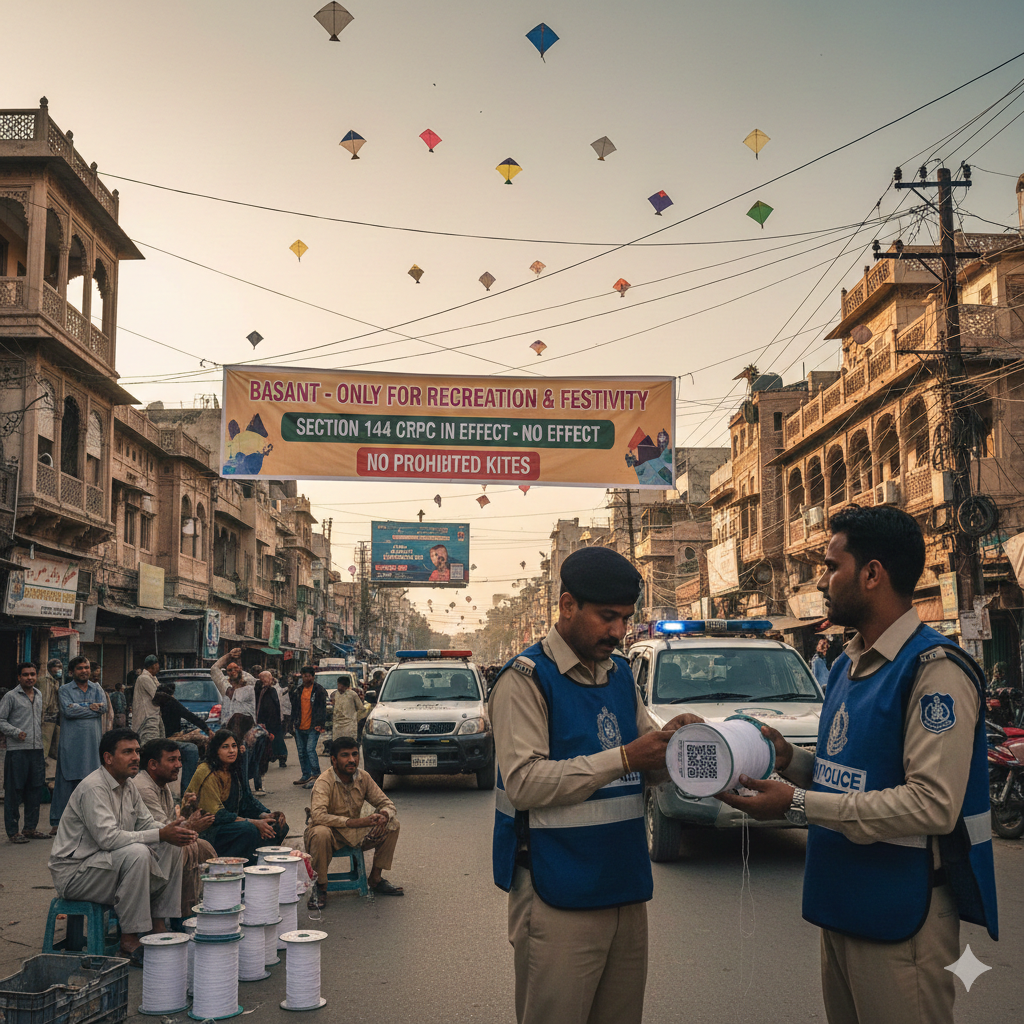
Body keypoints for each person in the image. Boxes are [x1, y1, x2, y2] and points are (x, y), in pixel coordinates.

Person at [718, 505, 997, 1024]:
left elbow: (932, 805)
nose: (822, 580)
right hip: (842, 902)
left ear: (872, 574)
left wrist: (798, 803)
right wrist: (790, 761)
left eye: (831, 566)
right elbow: (851, 773)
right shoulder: (849, 664)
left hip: (902, 914)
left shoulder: (934, 670)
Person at [489, 546, 697, 1024]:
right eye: (608, 617)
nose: (619, 632)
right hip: (556, 892)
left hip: (623, 887)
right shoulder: (525, 679)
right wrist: (624, 757)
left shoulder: (621, 673)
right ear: (567, 606)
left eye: (625, 619)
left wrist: (679, 745)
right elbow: (523, 783)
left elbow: (648, 759)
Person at [48, 728, 195, 967]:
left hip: (106, 864)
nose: (136, 757)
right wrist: (159, 833)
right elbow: (108, 839)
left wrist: (173, 830)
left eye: (137, 751)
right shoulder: (94, 787)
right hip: (76, 873)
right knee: (137, 852)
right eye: (127, 752)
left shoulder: (128, 786)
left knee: (172, 844)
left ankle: (158, 923)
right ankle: (128, 938)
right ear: (108, 758)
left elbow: (147, 823)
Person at [304, 734, 403, 909]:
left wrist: (384, 815)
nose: (352, 760)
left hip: (355, 834)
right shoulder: (324, 782)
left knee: (393, 824)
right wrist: (353, 822)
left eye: (355, 754)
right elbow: (318, 816)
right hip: (331, 835)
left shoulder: (363, 777)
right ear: (334, 760)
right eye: (345, 755)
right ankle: (320, 887)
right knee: (320, 832)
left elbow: (387, 803)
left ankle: (375, 878)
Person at [136, 738, 217, 919]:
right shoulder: (143, 787)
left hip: (159, 844)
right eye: (172, 760)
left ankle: (210, 904)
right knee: (188, 846)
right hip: (144, 850)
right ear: (153, 764)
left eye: (179, 759)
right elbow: (165, 831)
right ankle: (184, 916)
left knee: (204, 848)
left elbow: (171, 822)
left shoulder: (162, 786)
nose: (179, 765)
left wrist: (188, 811)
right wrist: (191, 825)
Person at [185, 729, 288, 863]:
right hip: (209, 830)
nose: (232, 751)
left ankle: (261, 865)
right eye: (225, 747)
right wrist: (253, 822)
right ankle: (237, 867)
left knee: (278, 826)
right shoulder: (206, 771)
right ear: (216, 750)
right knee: (249, 829)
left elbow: (246, 799)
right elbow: (215, 815)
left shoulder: (233, 767)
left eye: (234, 746)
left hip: (231, 824)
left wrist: (265, 815)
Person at [50, 656, 106, 831]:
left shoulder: (97, 688)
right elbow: (68, 711)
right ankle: (58, 822)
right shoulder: (64, 690)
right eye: (80, 668)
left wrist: (80, 707)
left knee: (91, 785)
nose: (85, 671)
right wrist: (91, 707)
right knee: (66, 782)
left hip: (92, 746)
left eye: (87, 667)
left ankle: (90, 823)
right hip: (71, 745)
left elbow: (103, 708)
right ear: (71, 672)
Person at [0, 662, 47, 842]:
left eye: (33, 674)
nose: (30, 678)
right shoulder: (11, 696)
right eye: (26, 675)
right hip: (17, 751)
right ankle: (13, 832)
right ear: (19, 677)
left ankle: (30, 829)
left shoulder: (39, 694)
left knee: (35, 790)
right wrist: (14, 732)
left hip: (36, 749)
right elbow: (1, 720)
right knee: (14, 792)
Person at [293, 666, 327, 788]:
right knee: (302, 752)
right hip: (299, 725)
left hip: (313, 726)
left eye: (308, 676)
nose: (305, 678)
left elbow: (322, 709)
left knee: (310, 750)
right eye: (304, 676)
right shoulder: (298, 690)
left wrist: (320, 724)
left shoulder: (319, 691)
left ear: (313, 677)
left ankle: (316, 775)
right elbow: (295, 708)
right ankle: (306, 775)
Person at [210, 649, 257, 720]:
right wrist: (228, 655)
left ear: (240, 668)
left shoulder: (249, 682)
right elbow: (214, 669)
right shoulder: (225, 686)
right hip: (228, 724)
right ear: (227, 672)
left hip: (247, 724)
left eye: (235, 668)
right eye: (230, 670)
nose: (233, 671)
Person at [255, 672, 283, 776]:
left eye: (269, 678)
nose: (269, 680)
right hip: (260, 722)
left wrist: (274, 723)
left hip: (270, 723)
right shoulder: (258, 689)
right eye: (266, 678)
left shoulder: (272, 690)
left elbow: (274, 708)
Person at [132, 655, 163, 744]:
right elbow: (157, 695)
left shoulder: (153, 678)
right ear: (152, 666)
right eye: (157, 664)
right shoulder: (144, 678)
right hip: (147, 719)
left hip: (154, 716)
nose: (158, 667)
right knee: (150, 745)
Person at [331, 675, 362, 747]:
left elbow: (360, 708)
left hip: (349, 724)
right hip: (337, 725)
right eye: (338, 685)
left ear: (346, 686)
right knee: (337, 745)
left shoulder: (353, 694)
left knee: (349, 744)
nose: (339, 687)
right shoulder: (335, 694)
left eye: (341, 686)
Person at [274, 673, 292, 748]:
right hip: (281, 706)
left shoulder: (286, 687)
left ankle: (286, 732)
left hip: (286, 706)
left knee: (286, 719)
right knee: (283, 720)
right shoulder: (276, 687)